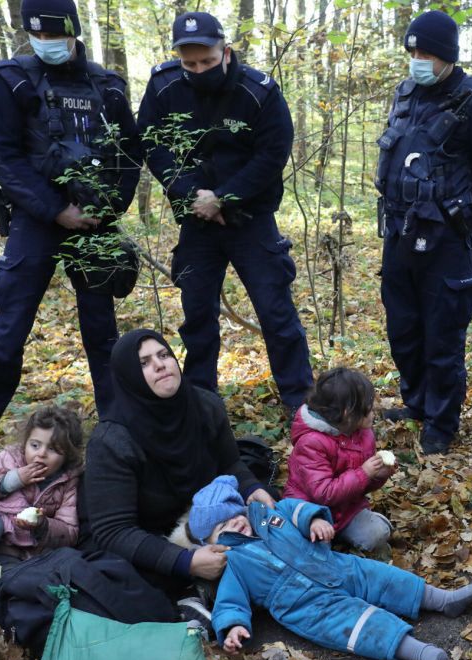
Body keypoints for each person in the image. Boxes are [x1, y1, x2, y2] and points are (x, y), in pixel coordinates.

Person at [0, 0, 140, 467]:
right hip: (37, 219)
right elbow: (2, 155)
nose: (49, 44)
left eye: (57, 35)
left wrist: (106, 207)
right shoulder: (10, 79)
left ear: (73, 32)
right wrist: (55, 210)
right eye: (41, 35)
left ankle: (117, 431)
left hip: (97, 220)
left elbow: (129, 153)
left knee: (103, 330)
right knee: (9, 325)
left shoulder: (106, 84)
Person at [137, 11, 313, 411]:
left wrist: (224, 197)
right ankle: (201, 404)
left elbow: (272, 155)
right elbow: (152, 144)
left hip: (251, 221)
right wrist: (190, 196)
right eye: (190, 64)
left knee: (276, 314)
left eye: (208, 62)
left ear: (226, 52)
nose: (199, 71)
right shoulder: (164, 86)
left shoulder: (259, 92)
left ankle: (301, 404)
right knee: (197, 316)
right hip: (196, 223)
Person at [190, 475, 472, 660]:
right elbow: (230, 599)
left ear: (242, 509)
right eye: (222, 528)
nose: (234, 526)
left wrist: (316, 520)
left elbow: (299, 510)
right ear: (211, 542)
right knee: (357, 625)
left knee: (383, 577)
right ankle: (420, 652)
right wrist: (232, 627)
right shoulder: (233, 563)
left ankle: (444, 600)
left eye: (234, 517)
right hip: (303, 604)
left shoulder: (271, 515)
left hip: (332, 564)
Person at [376, 10, 472, 455]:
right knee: (404, 328)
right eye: (413, 51)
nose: (418, 60)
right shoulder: (406, 93)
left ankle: (441, 420)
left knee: (443, 335)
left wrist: (463, 219)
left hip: (445, 242)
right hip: (399, 232)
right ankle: (415, 403)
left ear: (448, 56)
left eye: (427, 52)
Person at [78, 328, 277, 623]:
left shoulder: (205, 405)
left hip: (205, 515)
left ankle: (221, 587)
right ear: (129, 377)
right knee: (119, 576)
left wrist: (252, 489)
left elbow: (230, 463)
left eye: (164, 355)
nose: (160, 365)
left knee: (275, 512)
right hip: (147, 534)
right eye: (144, 363)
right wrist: (186, 561)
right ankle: (196, 594)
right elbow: (114, 531)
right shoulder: (113, 440)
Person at [282, 368, 397, 555]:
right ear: (347, 413)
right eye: (367, 408)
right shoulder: (312, 442)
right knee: (313, 551)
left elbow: (361, 485)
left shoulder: (363, 434)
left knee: (378, 534)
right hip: (312, 508)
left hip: (346, 507)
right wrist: (364, 473)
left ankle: (349, 532)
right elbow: (323, 493)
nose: (373, 411)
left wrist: (378, 476)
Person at [0, 404, 85, 574]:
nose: (41, 454)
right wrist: (10, 481)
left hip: (33, 553)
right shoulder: (8, 459)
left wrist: (43, 525)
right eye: (35, 445)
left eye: (52, 449)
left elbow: (69, 532)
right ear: (25, 442)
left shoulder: (67, 481)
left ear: (68, 455)